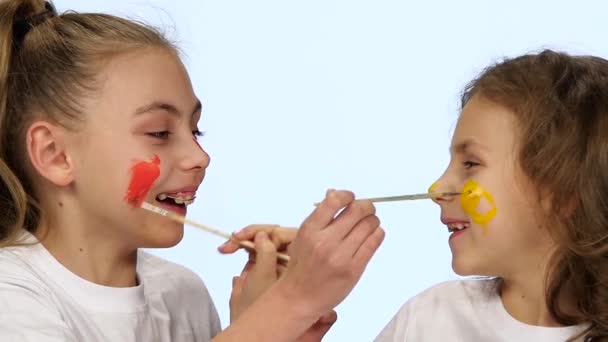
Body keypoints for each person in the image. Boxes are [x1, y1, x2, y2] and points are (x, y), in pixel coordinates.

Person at [0, 1, 385, 341]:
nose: (199, 157)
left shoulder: (182, 294)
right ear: (55, 154)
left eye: (195, 129)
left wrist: (263, 323)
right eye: (160, 132)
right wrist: (291, 304)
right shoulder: (11, 296)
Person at [230, 50, 608, 341]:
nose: (438, 189)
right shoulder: (432, 319)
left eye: (471, 163)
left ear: (562, 191)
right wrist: (273, 318)